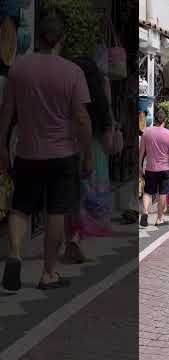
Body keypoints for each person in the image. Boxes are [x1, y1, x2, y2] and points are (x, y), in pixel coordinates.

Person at [0, 9, 93, 290]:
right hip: (63, 155)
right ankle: (48, 273)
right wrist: (88, 154)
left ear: (38, 37)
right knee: (56, 212)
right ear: (60, 39)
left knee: (20, 208)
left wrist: (2, 146)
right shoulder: (73, 72)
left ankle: (15, 254)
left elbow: (6, 112)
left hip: (27, 152)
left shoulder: (18, 68)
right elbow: (81, 118)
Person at [63, 57, 113, 263]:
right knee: (89, 201)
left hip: (69, 148)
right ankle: (76, 240)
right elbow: (108, 138)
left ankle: (71, 240)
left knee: (70, 199)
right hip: (95, 153)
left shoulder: (68, 94)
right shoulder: (100, 102)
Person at [139, 109, 169, 227]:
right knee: (162, 193)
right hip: (165, 168)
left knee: (147, 191)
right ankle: (159, 219)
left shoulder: (146, 132)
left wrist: (140, 166)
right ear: (164, 120)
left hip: (150, 168)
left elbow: (141, 152)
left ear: (155, 119)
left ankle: (145, 211)